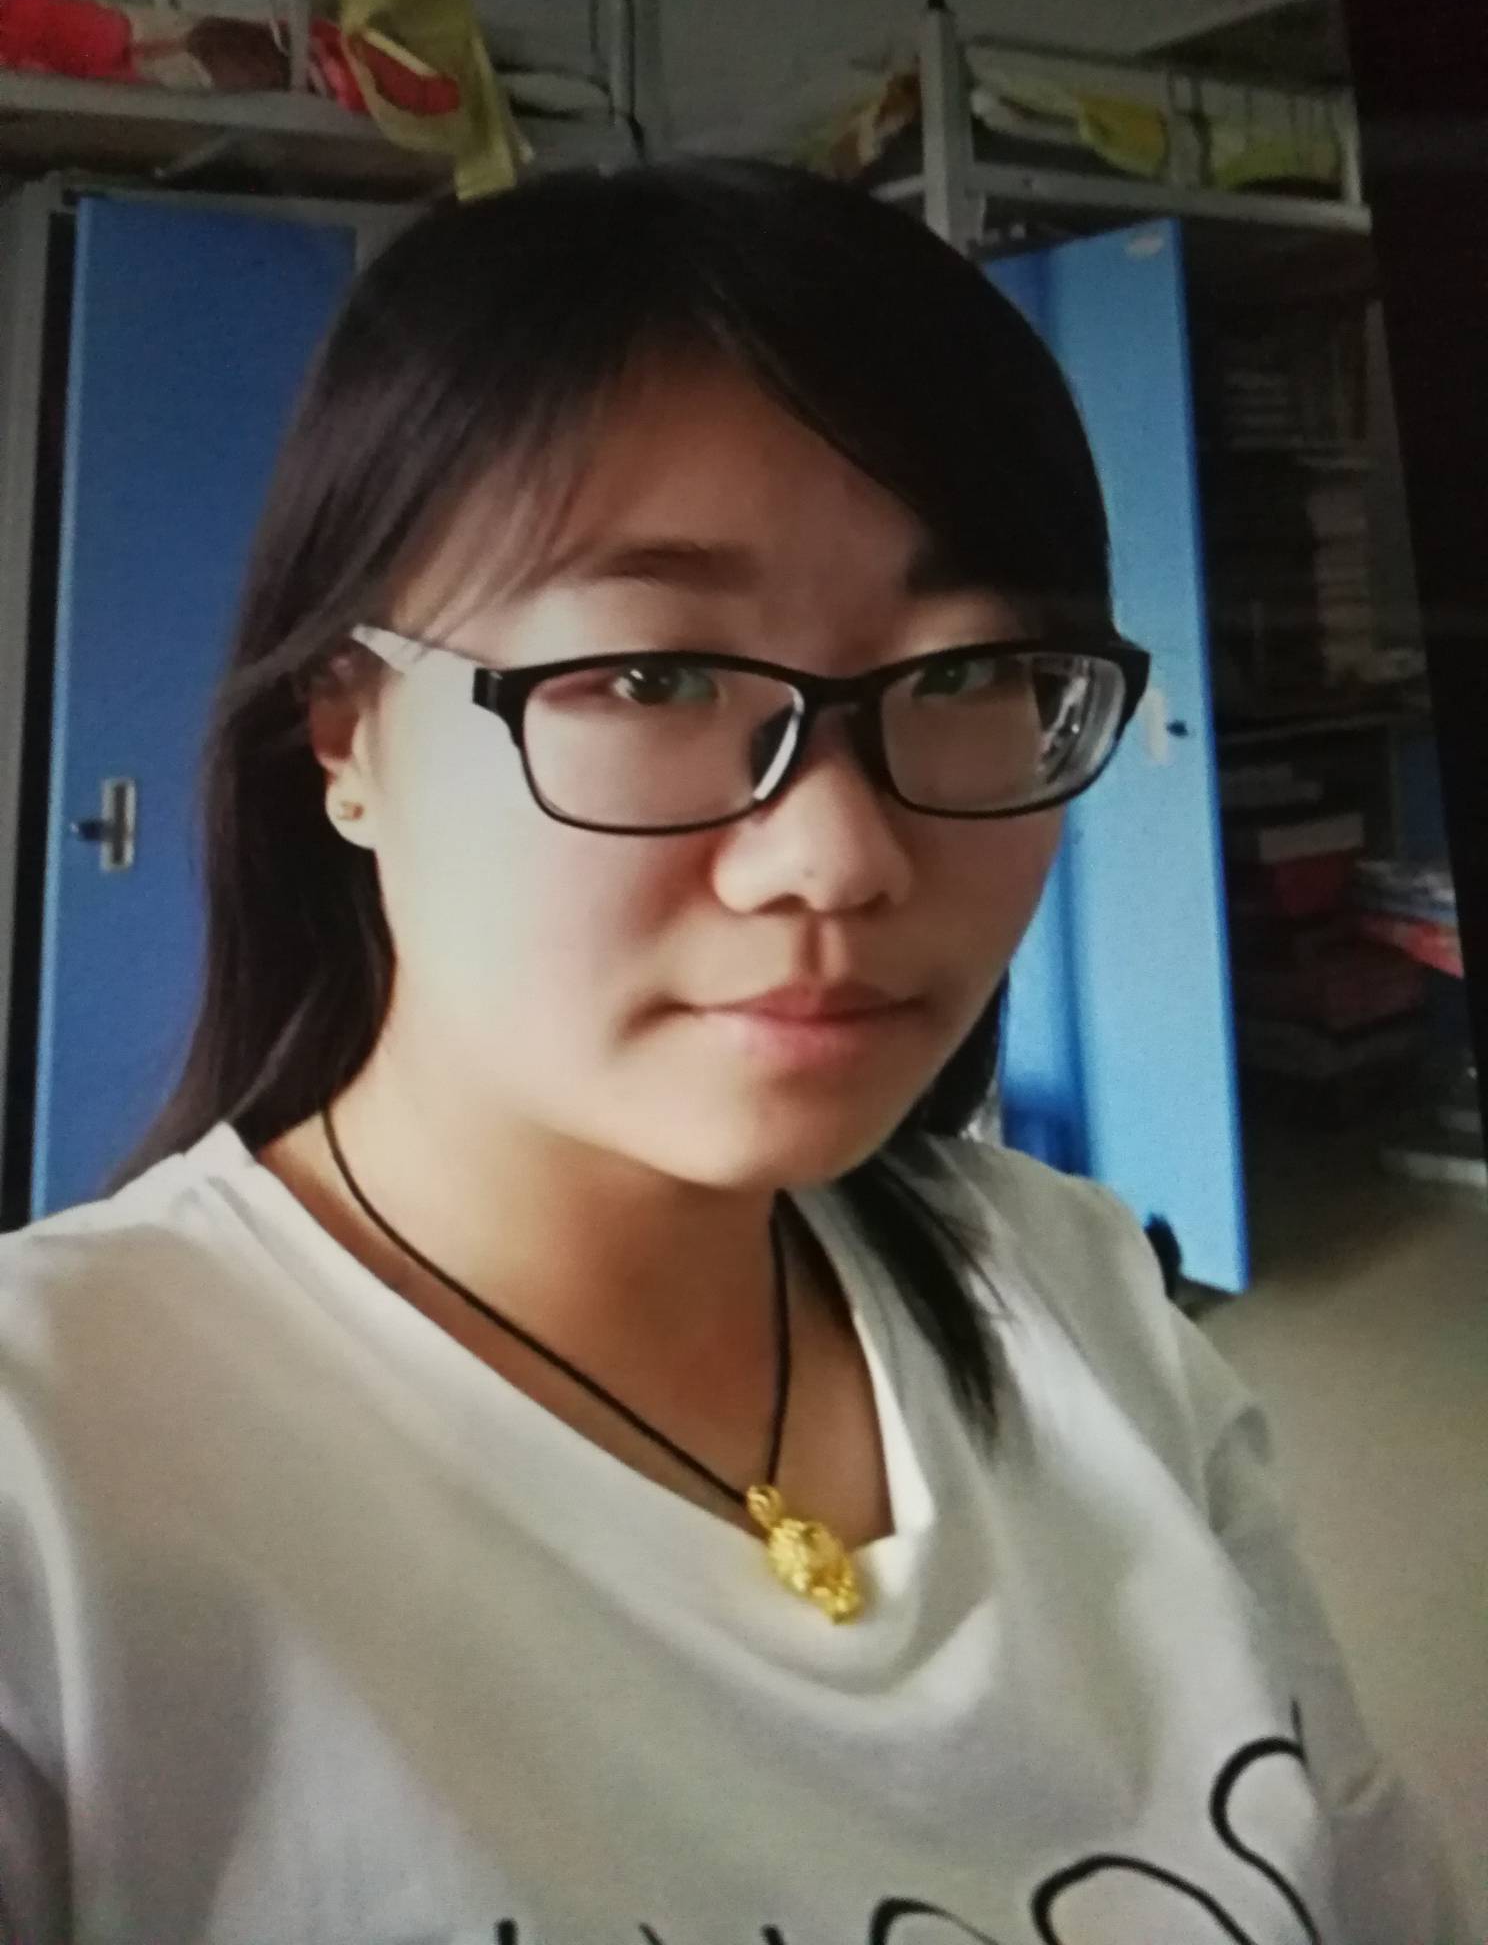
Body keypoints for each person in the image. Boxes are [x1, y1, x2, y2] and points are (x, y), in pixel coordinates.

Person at [0, 161, 1459, 1945]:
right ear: (348, 734)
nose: (838, 858)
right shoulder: (53, 1486)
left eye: (969, 672)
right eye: (658, 678)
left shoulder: (1079, 1300)